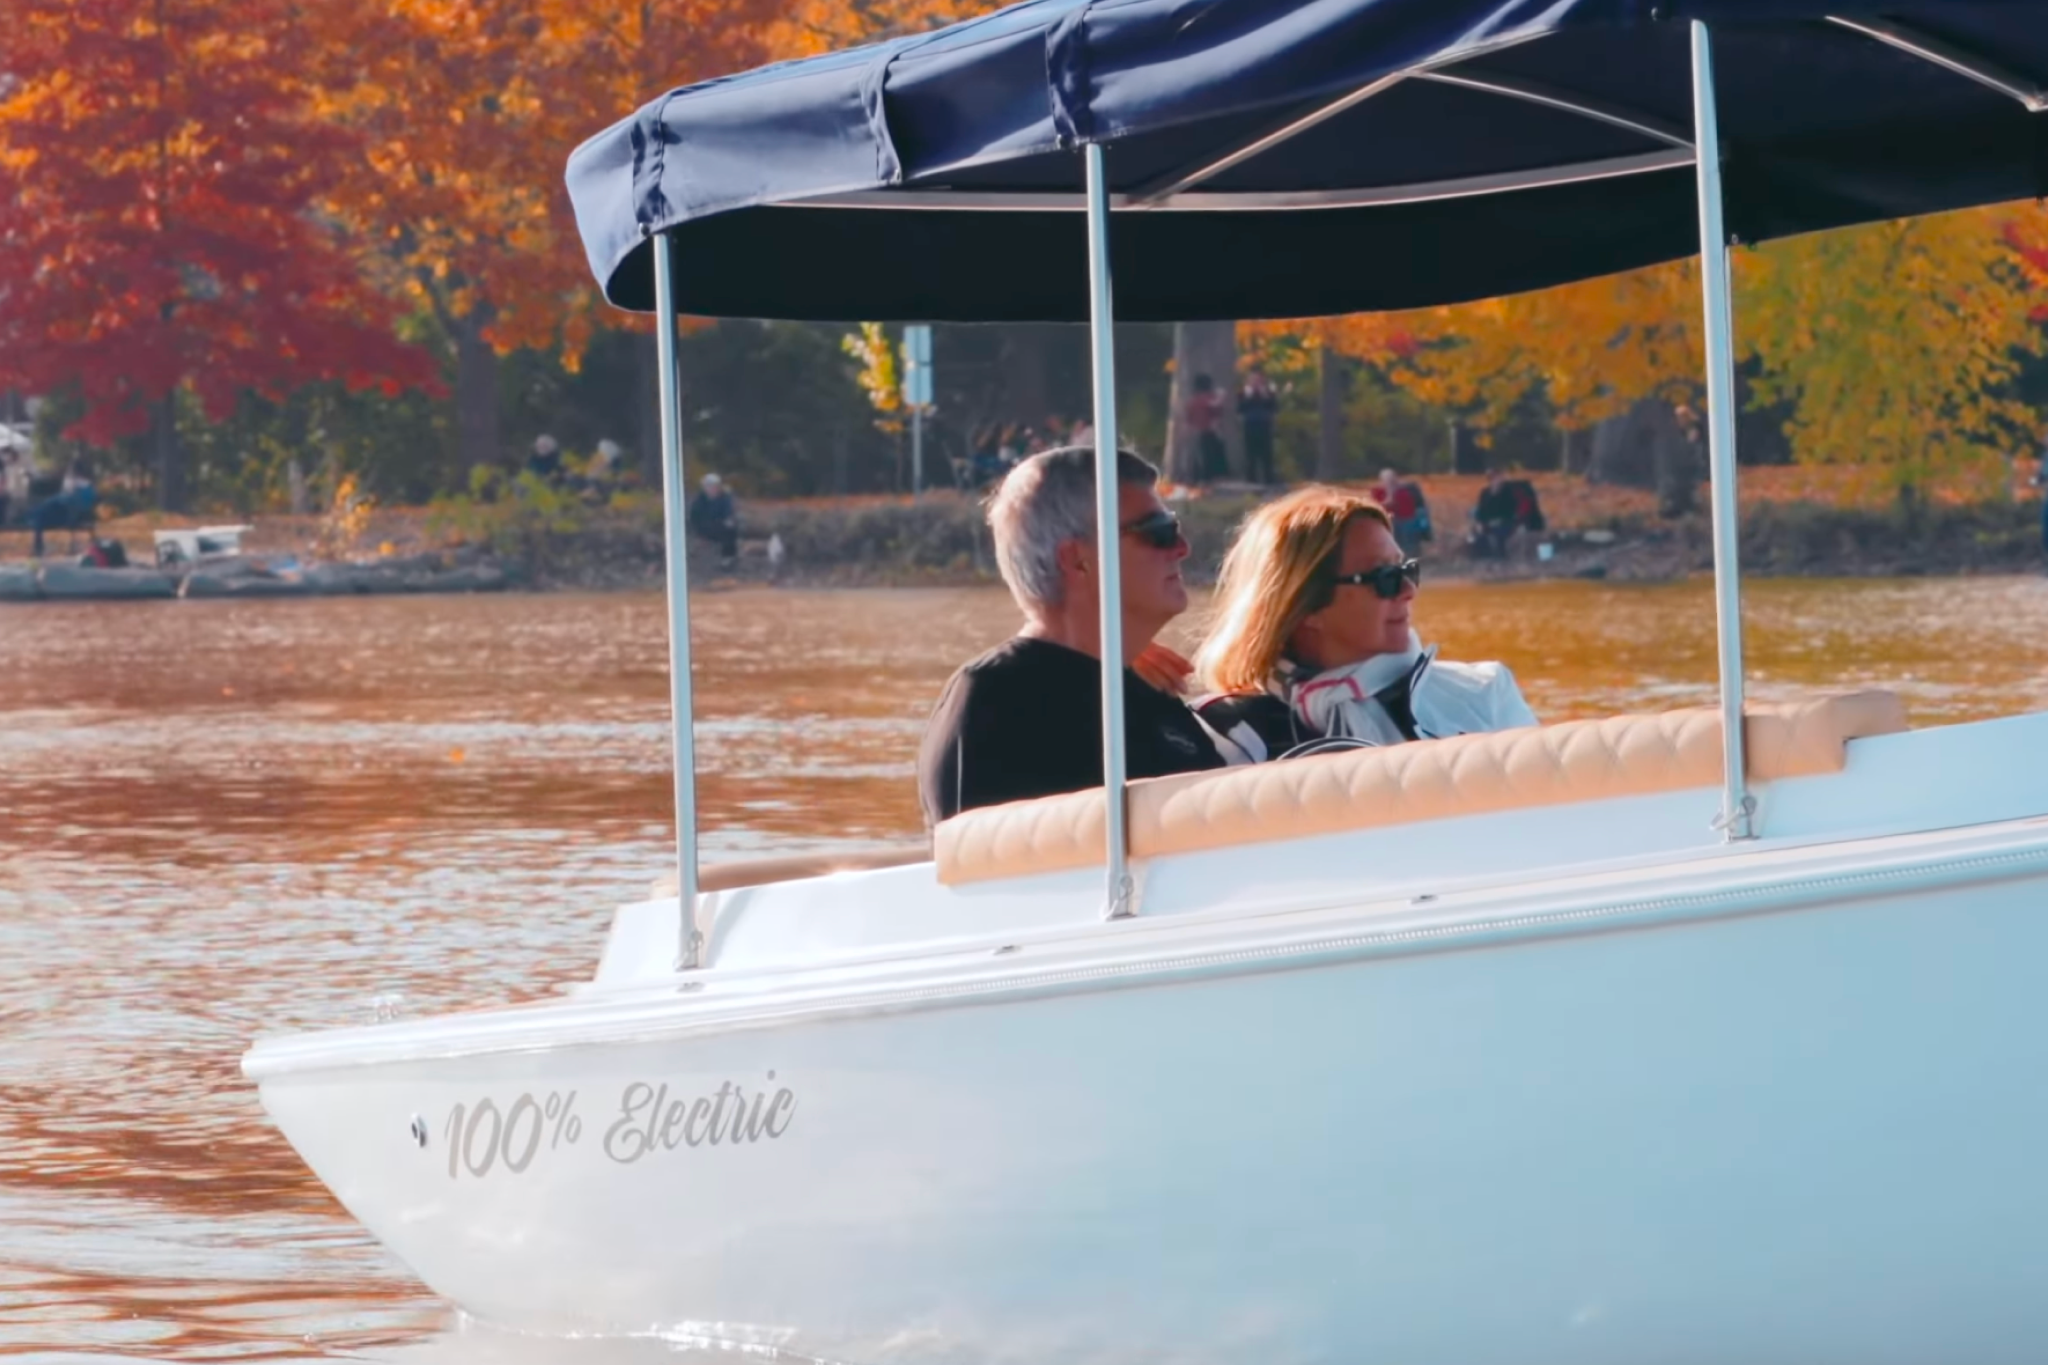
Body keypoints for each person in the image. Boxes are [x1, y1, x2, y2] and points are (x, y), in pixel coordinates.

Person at [917, 446, 1225, 825]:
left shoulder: (1149, 693)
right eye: (1159, 532)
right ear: (1077, 560)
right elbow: (983, 874)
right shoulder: (996, 702)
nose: (1182, 548)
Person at [1192, 484, 1535, 760]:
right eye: (1383, 577)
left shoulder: (1485, 694)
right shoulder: (1231, 733)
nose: (1407, 591)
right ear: (1306, 606)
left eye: (1406, 570)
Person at [29, 462, 96, 558]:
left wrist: (66, 493)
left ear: (76, 472)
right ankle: (38, 546)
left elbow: (68, 501)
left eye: (71, 472)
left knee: (39, 515)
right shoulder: (87, 486)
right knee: (40, 516)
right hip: (67, 515)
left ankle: (38, 547)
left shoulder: (79, 486)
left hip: (67, 517)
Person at [1373, 467, 1431, 556]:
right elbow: (1380, 505)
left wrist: (1391, 493)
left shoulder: (1407, 489)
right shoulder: (1378, 491)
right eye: (1386, 479)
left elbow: (1401, 504)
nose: (1389, 481)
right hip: (1390, 520)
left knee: (1409, 543)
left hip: (1408, 519)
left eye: (1391, 479)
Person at [1238, 368, 1279, 486]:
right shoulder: (1244, 393)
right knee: (1251, 454)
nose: (1255, 382)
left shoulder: (1268, 393)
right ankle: (1251, 480)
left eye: (1258, 379)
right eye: (1252, 379)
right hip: (1250, 425)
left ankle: (1269, 479)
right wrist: (1248, 396)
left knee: (1267, 453)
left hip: (1265, 425)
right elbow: (1240, 409)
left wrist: (1265, 395)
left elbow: (1274, 407)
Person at [688, 472, 739, 569]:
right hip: (703, 527)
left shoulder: (724, 498)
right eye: (709, 486)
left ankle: (728, 558)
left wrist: (728, 520)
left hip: (720, 525)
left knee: (730, 530)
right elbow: (694, 516)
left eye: (715, 486)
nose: (713, 488)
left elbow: (728, 513)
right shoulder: (700, 499)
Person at [1185, 374, 1228, 483]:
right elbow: (1215, 405)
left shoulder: (1193, 399)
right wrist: (1221, 396)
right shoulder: (1202, 398)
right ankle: (1206, 478)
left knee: (1205, 454)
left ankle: (1203, 477)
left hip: (1202, 430)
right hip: (1206, 430)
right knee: (1208, 455)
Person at [1469, 470, 1520, 559]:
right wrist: (1479, 522)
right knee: (1476, 533)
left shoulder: (1508, 493)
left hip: (1504, 522)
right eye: (1495, 478)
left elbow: (1511, 511)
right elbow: (1481, 510)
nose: (1497, 480)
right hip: (1487, 522)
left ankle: (1500, 555)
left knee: (1499, 534)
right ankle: (1483, 555)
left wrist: (1498, 520)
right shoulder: (1485, 493)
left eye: (1499, 478)